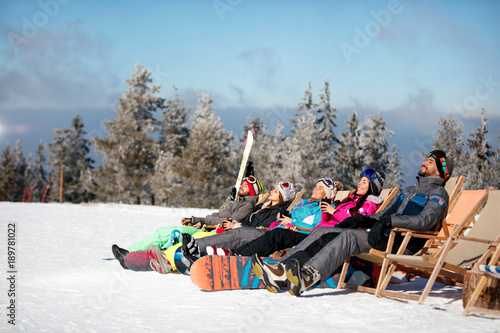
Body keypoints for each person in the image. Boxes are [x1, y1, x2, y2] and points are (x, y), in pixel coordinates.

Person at [254, 150, 453, 296]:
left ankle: (307, 276)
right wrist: (362, 218)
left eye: (430, 161)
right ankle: (281, 270)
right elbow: (382, 213)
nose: (424, 162)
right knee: (324, 229)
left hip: (403, 242)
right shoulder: (408, 191)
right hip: (383, 235)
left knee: (349, 236)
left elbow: (424, 221)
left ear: (440, 172)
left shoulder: (438, 194)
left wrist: (390, 221)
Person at [111, 176, 264, 269]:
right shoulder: (237, 202)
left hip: (212, 233)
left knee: (170, 238)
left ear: (253, 190)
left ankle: (132, 258)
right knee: (163, 233)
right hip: (206, 228)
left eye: (245, 185)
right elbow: (218, 214)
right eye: (242, 184)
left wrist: (200, 221)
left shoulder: (247, 205)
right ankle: (129, 255)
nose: (241, 186)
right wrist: (199, 222)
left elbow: (227, 222)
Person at [148, 181, 297, 273]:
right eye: (274, 189)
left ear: (283, 197)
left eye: (276, 191)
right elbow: (227, 214)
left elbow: (263, 228)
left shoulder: (278, 211)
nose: (272, 191)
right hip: (243, 230)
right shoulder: (261, 206)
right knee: (217, 238)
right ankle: (174, 257)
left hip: (254, 234)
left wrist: (236, 225)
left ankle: (180, 254)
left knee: (224, 236)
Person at [235, 169, 383, 259]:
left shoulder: (368, 204)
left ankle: (240, 257)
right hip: (319, 232)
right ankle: (236, 255)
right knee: (271, 233)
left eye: (364, 182)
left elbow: (355, 222)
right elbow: (326, 221)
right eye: (360, 181)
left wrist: (332, 211)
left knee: (276, 235)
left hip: (319, 235)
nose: (359, 184)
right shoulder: (348, 201)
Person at [181, 178, 338, 261]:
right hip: (277, 230)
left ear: (328, 194)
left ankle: (206, 249)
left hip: (286, 233)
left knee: (241, 233)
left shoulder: (322, 207)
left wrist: (291, 223)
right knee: (240, 233)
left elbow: (318, 227)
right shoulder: (302, 204)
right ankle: (206, 250)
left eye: (320, 188)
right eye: (316, 186)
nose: (315, 189)